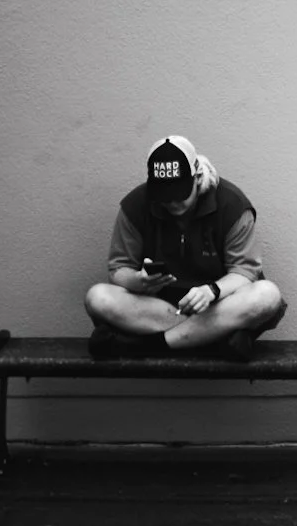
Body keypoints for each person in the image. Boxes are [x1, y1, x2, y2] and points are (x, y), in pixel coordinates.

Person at [84, 136, 285, 361]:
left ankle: (149, 346)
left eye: (180, 194)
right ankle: (211, 341)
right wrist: (138, 281)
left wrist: (211, 291)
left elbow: (246, 271)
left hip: (218, 307)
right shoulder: (135, 205)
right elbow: (118, 269)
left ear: (197, 176)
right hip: (162, 308)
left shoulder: (232, 205)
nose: (172, 203)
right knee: (97, 297)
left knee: (267, 295)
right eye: (164, 197)